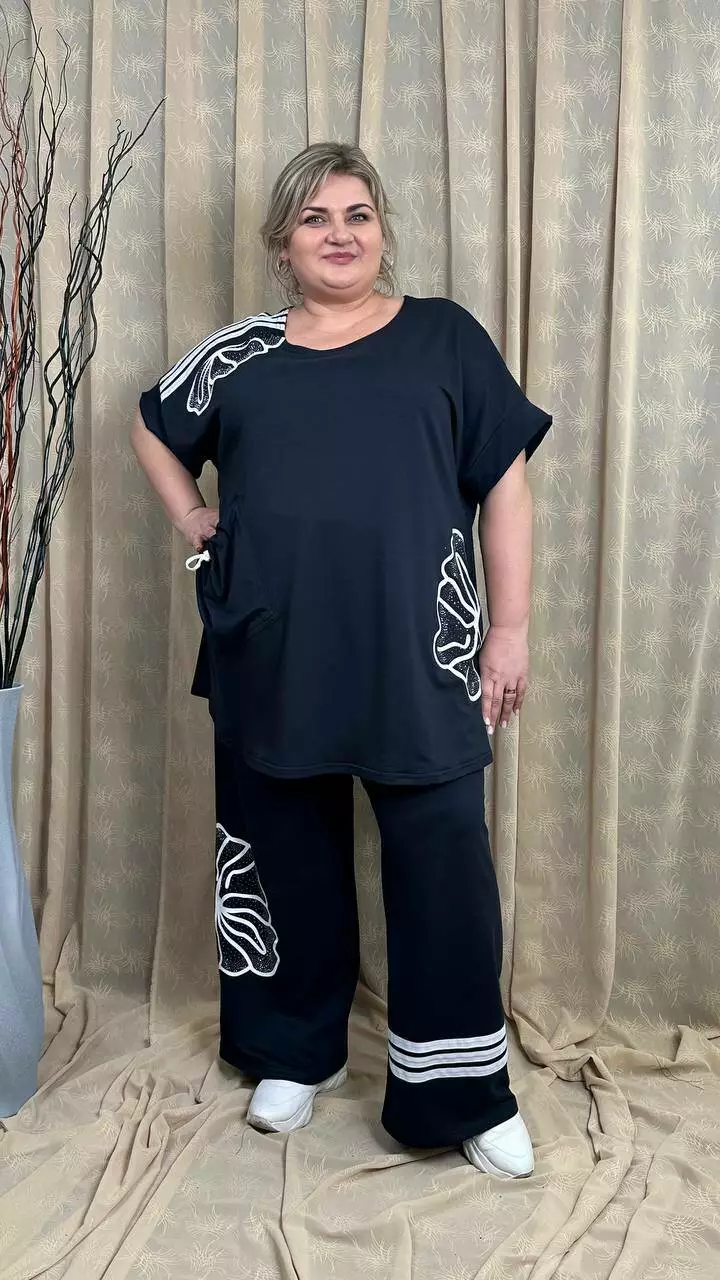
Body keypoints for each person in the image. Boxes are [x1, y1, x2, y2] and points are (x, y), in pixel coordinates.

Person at [131, 141, 552, 1178]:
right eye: (315, 217)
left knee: (443, 857)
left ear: (381, 231)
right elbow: (151, 426)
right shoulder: (240, 354)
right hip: (272, 644)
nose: (339, 234)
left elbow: (504, 482)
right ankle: (296, 1050)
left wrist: (508, 629)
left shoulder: (445, 336)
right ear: (282, 242)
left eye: (357, 214)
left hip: (421, 650)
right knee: (286, 850)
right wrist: (193, 517)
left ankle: (462, 1087)